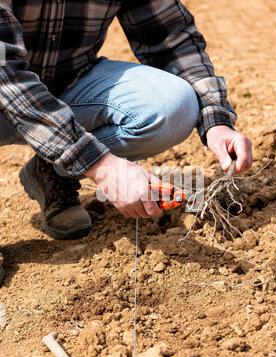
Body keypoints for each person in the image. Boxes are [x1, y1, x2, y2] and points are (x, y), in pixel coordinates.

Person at [0, 0, 252, 240]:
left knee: (173, 104)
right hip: (6, 92)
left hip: (68, 86)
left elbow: (171, 38)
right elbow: (6, 74)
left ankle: (52, 169)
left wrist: (216, 120)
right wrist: (99, 164)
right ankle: (70, 156)